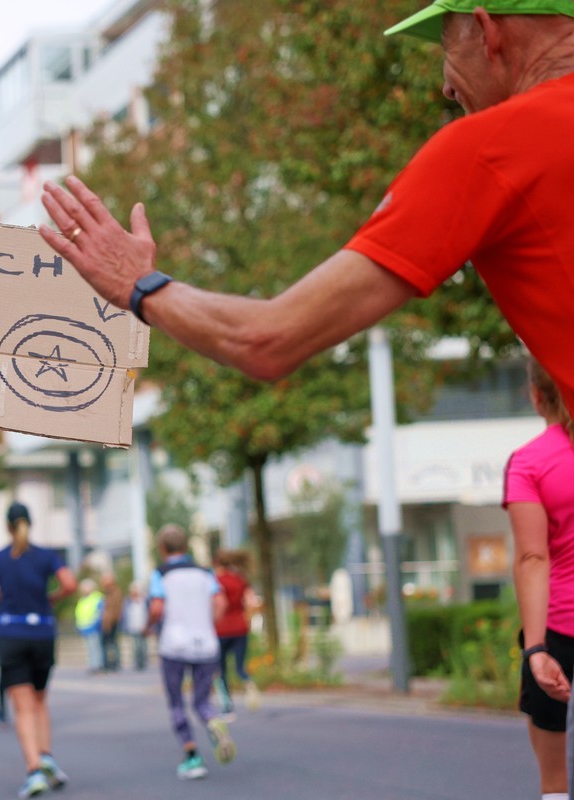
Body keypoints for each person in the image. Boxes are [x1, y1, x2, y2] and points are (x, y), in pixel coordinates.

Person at [37, 1, 574, 421]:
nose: (446, 83)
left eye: (445, 42)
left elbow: (266, 340)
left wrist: (140, 284)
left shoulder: (489, 148)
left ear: (487, 31)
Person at [504, 357, 574, 800]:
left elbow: (533, 557)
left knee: (554, 786)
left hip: (559, 628)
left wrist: (536, 649)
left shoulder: (530, 462)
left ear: (535, 396)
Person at [0, 502, 77, 799]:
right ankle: (46, 756)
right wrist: (50, 599)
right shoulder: (47, 556)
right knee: (40, 701)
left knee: (23, 706)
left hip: (11, 633)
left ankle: (33, 770)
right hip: (42, 632)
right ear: (29, 524)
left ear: (8, 527)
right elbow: (70, 584)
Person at [149, 525, 237, 781]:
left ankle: (192, 757)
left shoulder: (161, 573)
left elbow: (156, 607)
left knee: (177, 702)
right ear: (185, 547)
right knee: (201, 702)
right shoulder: (205, 573)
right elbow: (220, 603)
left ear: (162, 549)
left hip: (174, 646)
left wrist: (148, 625)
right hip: (206, 644)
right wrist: (210, 624)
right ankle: (211, 720)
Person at [213, 550, 260, 718]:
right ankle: (248, 681)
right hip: (240, 627)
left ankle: (227, 707)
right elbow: (251, 602)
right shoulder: (240, 580)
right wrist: (246, 618)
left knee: (220, 669)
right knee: (240, 666)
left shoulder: (216, 581)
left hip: (220, 629)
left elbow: (218, 603)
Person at [74, 579, 105, 673]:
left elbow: (100, 613)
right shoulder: (83, 599)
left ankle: (98, 666)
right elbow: (80, 613)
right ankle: (92, 665)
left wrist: (96, 624)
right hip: (84, 627)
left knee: (96, 647)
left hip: (94, 627)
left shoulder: (97, 598)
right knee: (89, 648)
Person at [100, 572, 124, 672]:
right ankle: (108, 663)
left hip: (111, 622)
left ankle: (114, 664)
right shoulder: (106, 593)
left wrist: (111, 621)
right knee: (107, 643)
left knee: (112, 643)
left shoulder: (115, 592)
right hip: (106, 622)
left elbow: (116, 609)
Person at [123, 583, 150, 671]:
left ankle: (143, 662)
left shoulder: (144, 600)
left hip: (143, 625)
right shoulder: (128, 601)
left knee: (142, 645)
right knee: (135, 645)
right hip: (133, 626)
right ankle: (137, 662)